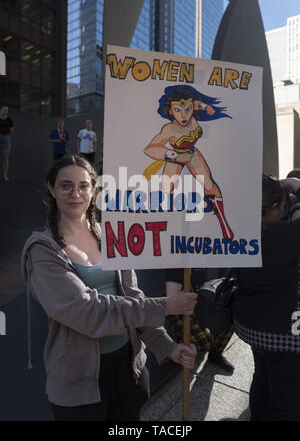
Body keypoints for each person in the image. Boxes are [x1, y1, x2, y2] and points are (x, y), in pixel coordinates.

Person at [21, 155, 197, 421]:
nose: (75, 194)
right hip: (79, 383)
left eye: (83, 186)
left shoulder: (110, 235)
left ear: (94, 190)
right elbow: (85, 312)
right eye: (66, 185)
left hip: (130, 370)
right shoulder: (42, 250)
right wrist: (165, 305)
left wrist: (167, 345)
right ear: (51, 188)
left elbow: (133, 297)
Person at [233, 173, 300, 421]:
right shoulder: (284, 236)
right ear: (273, 209)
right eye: (280, 207)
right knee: (287, 401)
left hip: (252, 327)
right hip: (284, 334)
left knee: (261, 378)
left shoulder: (238, 233)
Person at [143, 85, 233, 239]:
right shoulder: (169, 129)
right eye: (177, 110)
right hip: (175, 156)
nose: (183, 114)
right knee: (166, 191)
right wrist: (175, 156)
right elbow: (150, 149)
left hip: (192, 154)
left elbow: (196, 103)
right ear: (170, 111)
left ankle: (224, 225)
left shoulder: (192, 112)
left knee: (210, 185)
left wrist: (207, 107)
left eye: (187, 109)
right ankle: (164, 232)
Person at [165, 268, 234, 374]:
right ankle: (182, 343)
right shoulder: (177, 264)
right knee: (204, 341)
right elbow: (172, 300)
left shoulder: (208, 259)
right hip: (178, 310)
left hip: (202, 304)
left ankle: (215, 354)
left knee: (231, 316)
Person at [0, 105, 14, 181]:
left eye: (7, 110)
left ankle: (5, 176)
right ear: (1, 110)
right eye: (5, 110)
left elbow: (12, 129)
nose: (6, 111)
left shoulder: (9, 119)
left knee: (5, 158)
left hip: (6, 138)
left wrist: (7, 136)